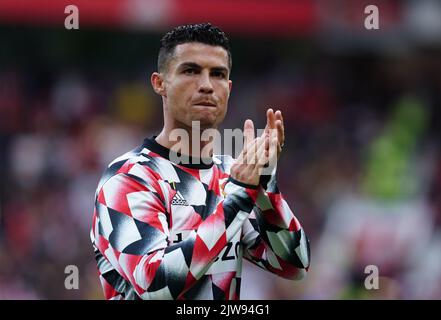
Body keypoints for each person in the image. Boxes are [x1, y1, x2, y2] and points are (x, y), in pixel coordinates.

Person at [90, 23, 310, 300]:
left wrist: (267, 190)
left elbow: (294, 265)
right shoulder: (129, 178)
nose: (206, 85)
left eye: (217, 74)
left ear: (228, 88)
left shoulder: (234, 176)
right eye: (190, 71)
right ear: (160, 83)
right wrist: (240, 196)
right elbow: (155, 287)